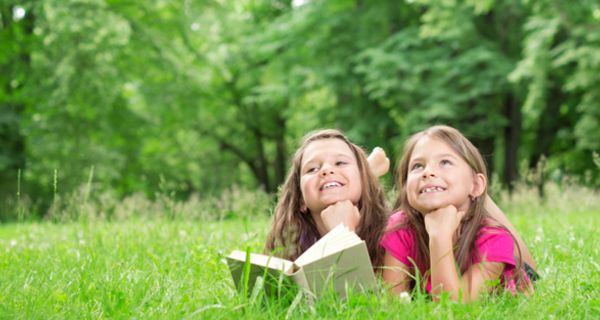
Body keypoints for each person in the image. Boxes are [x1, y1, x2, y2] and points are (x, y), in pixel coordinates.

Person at [381, 125, 534, 301]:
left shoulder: (494, 239)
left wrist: (440, 237)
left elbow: (454, 309)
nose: (427, 172)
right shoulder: (400, 227)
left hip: (517, 274)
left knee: (511, 246)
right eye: (417, 166)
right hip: (468, 193)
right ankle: (464, 193)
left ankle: (477, 195)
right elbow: (392, 302)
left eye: (445, 162)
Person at [264, 129, 389, 267]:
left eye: (340, 163)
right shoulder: (294, 245)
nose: (326, 170)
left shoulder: (389, 236)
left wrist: (342, 232)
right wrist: (341, 232)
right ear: (300, 199)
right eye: (312, 169)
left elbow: (362, 288)